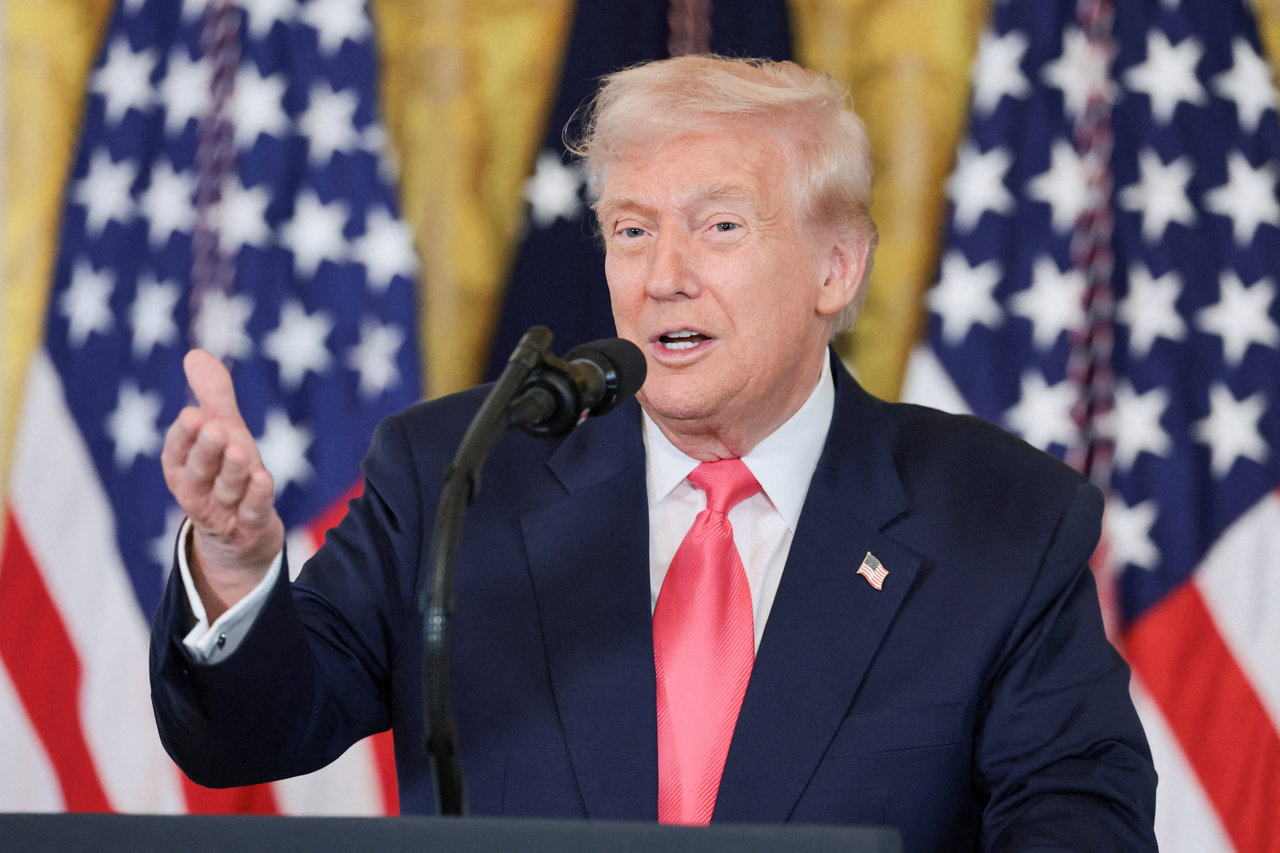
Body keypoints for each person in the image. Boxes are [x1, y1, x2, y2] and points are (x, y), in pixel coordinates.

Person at [150, 55, 1157, 852]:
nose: (661, 275)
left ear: (834, 268)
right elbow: (245, 734)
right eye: (630, 230)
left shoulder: (999, 516)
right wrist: (235, 568)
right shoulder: (458, 474)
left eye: (717, 225)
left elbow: (1080, 815)